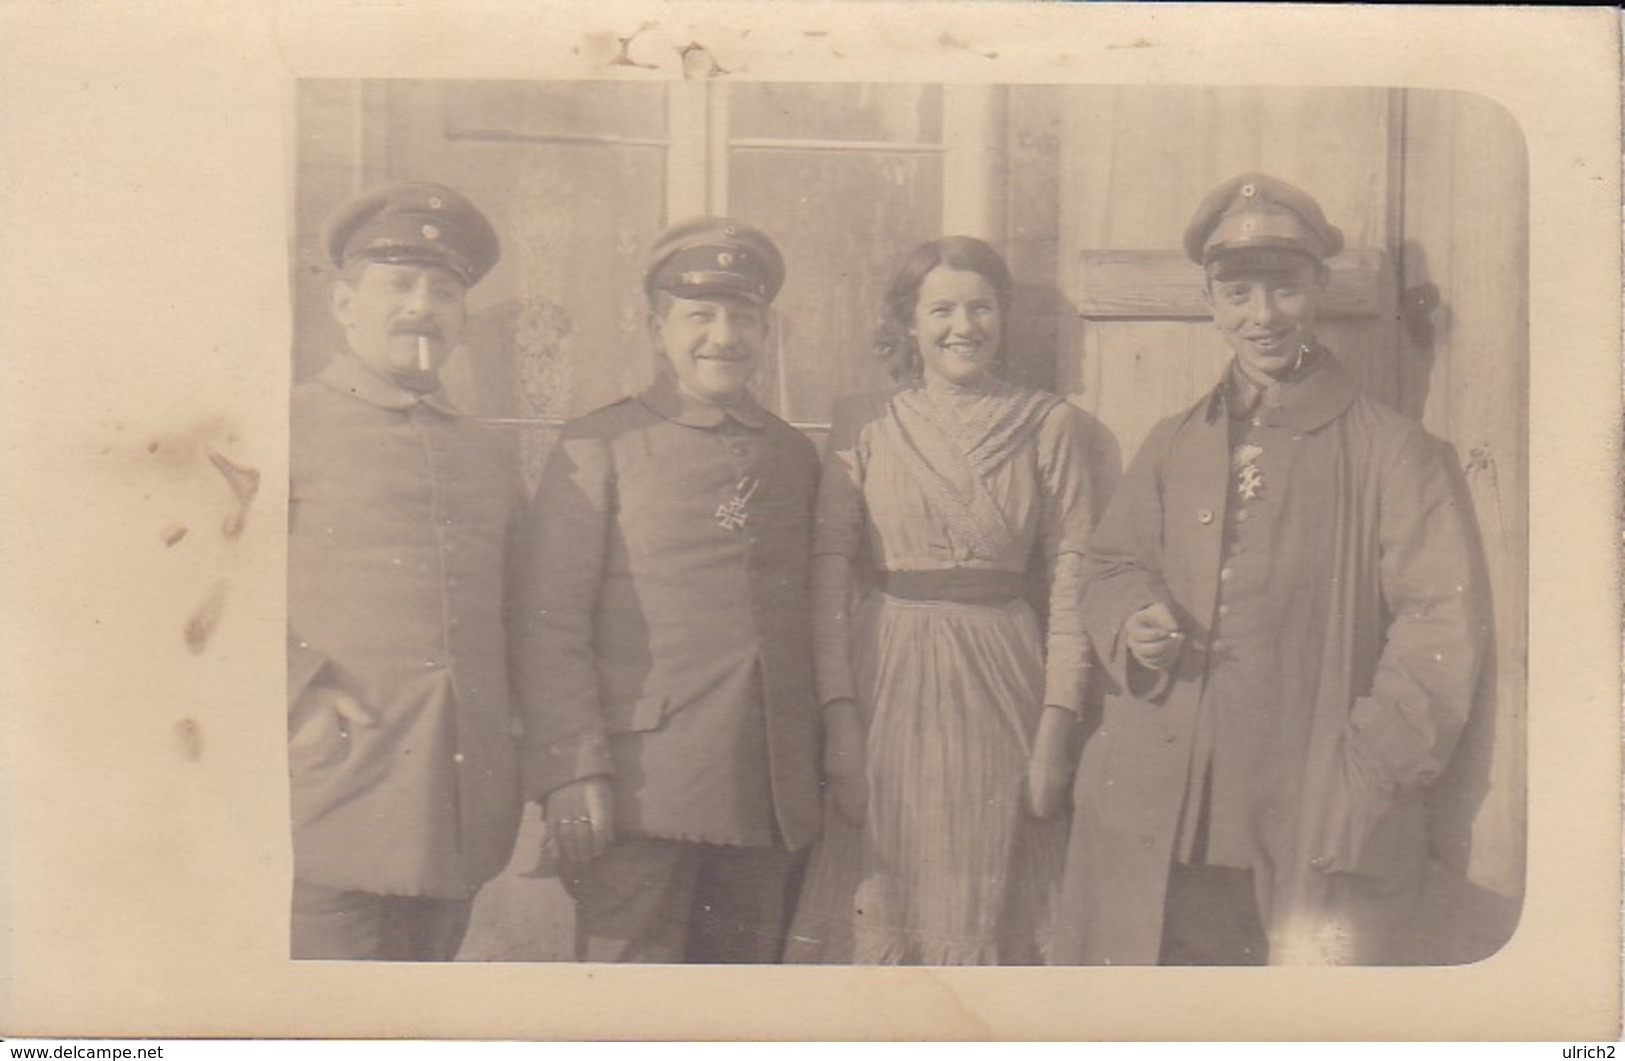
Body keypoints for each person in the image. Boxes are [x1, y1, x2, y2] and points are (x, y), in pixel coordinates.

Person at [1054, 173, 1487, 966]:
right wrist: (1131, 618)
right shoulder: (1172, 440)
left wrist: (1360, 776)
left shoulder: (1392, 450)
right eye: (1237, 293)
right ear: (1210, 300)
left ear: (1317, 286)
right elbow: (1109, 563)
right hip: (1159, 812)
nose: (1261, 316)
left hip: (1307, 823)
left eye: (1283, 289)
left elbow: (1438, 632)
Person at [511, 216, 822, 963]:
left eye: (741, 316)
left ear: (766, 329)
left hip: (763, 795)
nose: (722, 336)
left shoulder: (791, 454)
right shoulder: (599, 445)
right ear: (657, 328)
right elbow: (550, 624)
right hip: (637, 794)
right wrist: (573, 767)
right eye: (698, 316)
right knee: (629, 1011)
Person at [786, 236, 1096, 965]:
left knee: (993, 893)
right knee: (882, 890)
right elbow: (829, 568)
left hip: (1003, 680)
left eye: (980, 307)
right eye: (941, 309)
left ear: (1003, 317)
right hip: (886, 674)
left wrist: (1054, 729)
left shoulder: (1047, 424)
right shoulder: (864, 420)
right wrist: (839, 721)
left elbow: (1075, 572)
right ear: (908, 322)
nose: (963, 326)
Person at [287, 181, 523, 960]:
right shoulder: (283, 424)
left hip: (458, 811)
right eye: (398, 284)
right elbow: (197, 592)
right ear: (345, 301)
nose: (422, 307)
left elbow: (523, 616)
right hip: (323, 797)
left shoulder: (487, 453)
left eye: (445, 291)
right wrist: (298, 691)